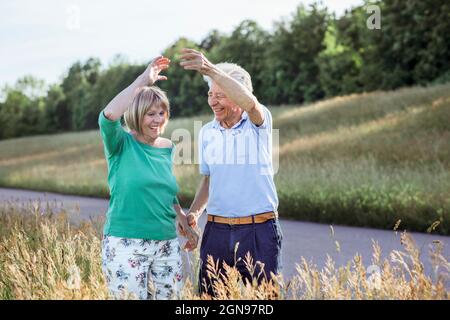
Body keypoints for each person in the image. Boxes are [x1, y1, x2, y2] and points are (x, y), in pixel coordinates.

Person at [179, 49, 283, 296]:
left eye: (221, 95)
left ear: (238, 96)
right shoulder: (207, 132)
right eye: (210, 94)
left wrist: (210, 69)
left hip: (258, 231)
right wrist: (194, 212)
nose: (213, 101)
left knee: (264, 300)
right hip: (216, 232)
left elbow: (250, 103)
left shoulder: (259, 121)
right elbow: (209, 179)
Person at [98, 56, 198, 300]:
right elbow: (108, 115)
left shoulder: (167, 147)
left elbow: (164, 190)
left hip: (166, 242)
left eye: (162, 112)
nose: (157, 119)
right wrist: (143, 80)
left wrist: (184, 220)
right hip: (125, 243)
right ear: (137, 115)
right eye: (150, 114)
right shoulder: (120, 143)